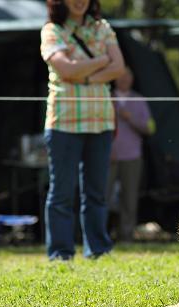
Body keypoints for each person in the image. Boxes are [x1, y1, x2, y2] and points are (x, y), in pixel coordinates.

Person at [40, 0, 125, 260]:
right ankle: (60, 253)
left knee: (97, 193)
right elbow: (65, 69)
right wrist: (102, 62)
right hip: (64, 122)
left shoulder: (103, 27)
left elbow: (118, 68)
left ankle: (98, 249)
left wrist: (82, 74)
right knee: (62, 193)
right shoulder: (52, 30)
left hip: (100, 121)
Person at [108, 66, 155, 242]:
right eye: (120, 77)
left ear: (132, 79)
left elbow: (149, 128)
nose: (124, 80)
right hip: (108, 156)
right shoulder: (107, 97)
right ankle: (101, 235)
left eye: (127, 77)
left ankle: (126, 236)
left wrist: (131, 119)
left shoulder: (139, 100)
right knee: (102, 197)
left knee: (129, 199)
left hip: (132, 156)